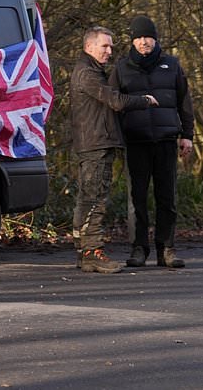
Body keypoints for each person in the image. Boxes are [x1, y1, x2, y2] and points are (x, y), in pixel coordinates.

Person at [70, 26, 157, 273]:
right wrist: (145, 100)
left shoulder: (90, 71)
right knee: (94, 200)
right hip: (96, 143)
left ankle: (83, 251)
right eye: (104, 46)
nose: (110, 51)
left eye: (111, 46)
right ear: (89, 47)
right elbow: (116, 101)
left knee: (87, 198)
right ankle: (91, 253)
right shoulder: (87, 74)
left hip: (94, 142)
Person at [112, 15, 195, 269]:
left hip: (167, 140)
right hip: (136, 141)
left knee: (166, 197)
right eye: (138, 37)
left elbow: (184, 102)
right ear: (132, 40)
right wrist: (117, 139)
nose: (143, 42)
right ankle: (139, 249)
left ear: (155, 39)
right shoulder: (121, 68)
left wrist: (187, 136)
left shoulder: (172, 64)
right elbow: (113, 105)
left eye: (147, 37)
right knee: (136, 198)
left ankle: (166, 249)